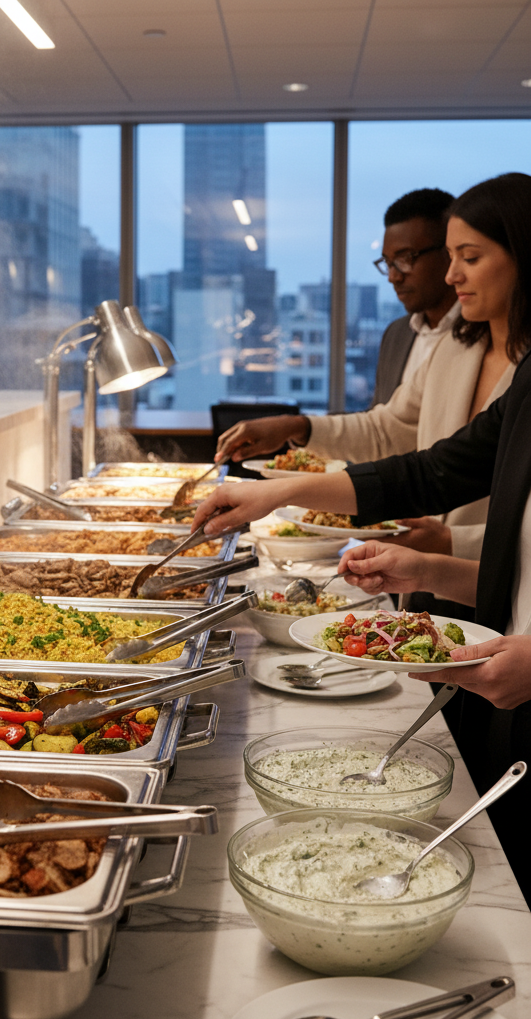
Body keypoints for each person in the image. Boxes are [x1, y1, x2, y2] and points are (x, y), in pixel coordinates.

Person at [192, 172, 531, 898]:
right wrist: (277, 492)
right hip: (505, 653)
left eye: (468, 256)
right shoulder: (520, 380)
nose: (448, 275)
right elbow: (428, 471)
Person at [215, 188, 515, 617]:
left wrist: (450, 543)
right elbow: (417, 462)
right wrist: (286, 466)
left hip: (501, 597)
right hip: (430, 584)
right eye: (451, 258)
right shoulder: (455, 346)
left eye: (468, 258)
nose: (453, 276)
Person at [370, 188, 458, 406]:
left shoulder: (488, 334)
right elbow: (377, 425)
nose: (393, 277)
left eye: (405, 258)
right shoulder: (395, 335)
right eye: (388, 263)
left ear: (449, 252)